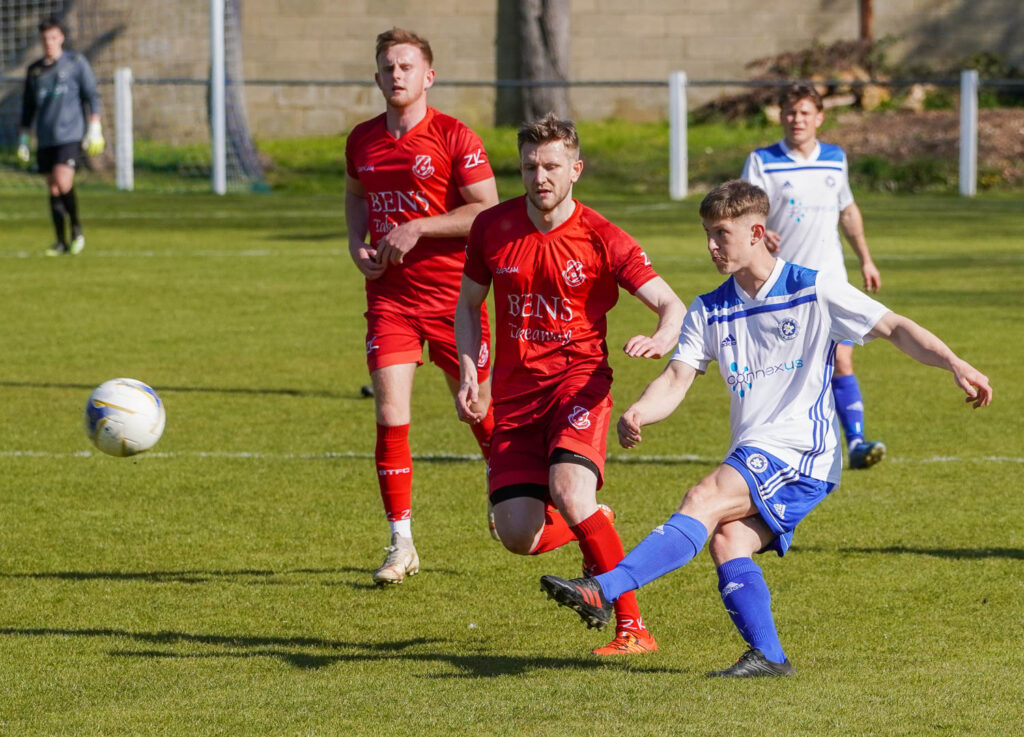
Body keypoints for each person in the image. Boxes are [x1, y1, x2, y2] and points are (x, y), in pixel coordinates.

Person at [539, 180, 992, 674]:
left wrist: (954, 363)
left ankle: (602, 589)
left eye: (721, 234)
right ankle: (769, 657)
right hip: (758, 450)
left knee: (703, 497)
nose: (712, 246)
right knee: (728, 541)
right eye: (707, 234)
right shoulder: (710, 308)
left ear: (756, 232)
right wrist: (641, 411)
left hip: (803, 453)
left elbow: (894, 327)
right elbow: (676, 377)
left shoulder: (812, 288)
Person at [455, 114, 686, 655]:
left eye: (552, 166)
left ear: (575, 169)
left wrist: (661, 336)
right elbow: (468, 304)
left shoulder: (601, 236)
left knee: (568, 489)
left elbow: (671, 304)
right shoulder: (492, 227)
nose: (540, 177)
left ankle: (633, 627)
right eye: (531, 166)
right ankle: (593, 523)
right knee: (517, 535)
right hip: (514, 396)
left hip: (578, 384)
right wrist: (472, 368)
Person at [345, 28, 500, 585]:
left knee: (477, 412)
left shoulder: (456, 137)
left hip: (456, 299)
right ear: (377, 76)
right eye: (387, 67)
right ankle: (401, 542)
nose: (396, 75)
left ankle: (504, 485)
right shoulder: (362, 140)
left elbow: (487, 210)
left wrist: (417, 227)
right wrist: (356, 241)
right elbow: (356, 194)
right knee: (390, 416)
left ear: (428, 76)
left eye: (406, 66)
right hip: (389, 300)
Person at [742, 84, 884, 470]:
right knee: (783, 367)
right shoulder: (762, 161)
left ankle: (855, 441)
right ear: (781, 116)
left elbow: (848, 211)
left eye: (805, 112)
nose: (797, 119)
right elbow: (745, 211)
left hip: (831, 277)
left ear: (819, 117)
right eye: (790, 112)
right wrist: (759, 230)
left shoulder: (835, 158)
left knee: (841, 357)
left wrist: (866, 260)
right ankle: (772, 443)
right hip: (781, 282)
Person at [18, 16, 105, 257]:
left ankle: (76, 229)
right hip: (46, 137)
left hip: (70, 135)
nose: (49, 42)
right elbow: (28, 108)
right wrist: (24, 139)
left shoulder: (76, 63)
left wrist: (94, 126)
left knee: (63, 182)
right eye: (45, 38)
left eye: (53, 37)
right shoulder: (34, 71)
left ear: (61, 38)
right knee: (53, 189)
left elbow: (92, 96)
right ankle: (60, 241)